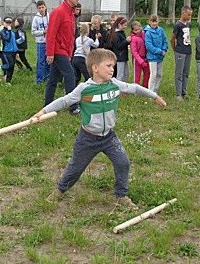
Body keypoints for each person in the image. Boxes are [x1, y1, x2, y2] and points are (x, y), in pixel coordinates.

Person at [33, 49, 167, 208]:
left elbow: (135, 88)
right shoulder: (84, 89)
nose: (112, 69)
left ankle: (121, 196)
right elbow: (64, 101)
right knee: (75, 168)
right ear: (95, 68)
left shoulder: (115, 84)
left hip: (109, 137)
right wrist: (42, 112)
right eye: (109, 66)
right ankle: (60, 191)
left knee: (123, 162)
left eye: (113, 66)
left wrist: (155, 96)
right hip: (87, 139)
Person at [44, 0, 82, 115]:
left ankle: (47, 105)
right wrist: (50, 52)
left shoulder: (71, 13)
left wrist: (70, 53)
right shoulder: (59, 12)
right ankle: (73, 106)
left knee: (53, 79)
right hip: (58, 50)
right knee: (70, 75)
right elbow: (51, 33)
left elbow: (71, 36)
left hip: (64, 51)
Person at [170, 5, 193, 100]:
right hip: (180, 51)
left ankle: (184, 92)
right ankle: (178, 94)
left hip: (188, 51)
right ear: (183, 13)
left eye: (191, 15)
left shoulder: (188, 24)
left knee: (186, 72)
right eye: (188, 15)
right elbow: (172, 39)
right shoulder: (177, 25)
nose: (189, 17)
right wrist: (175, 50)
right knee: (179, 73)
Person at [144, 15, 167, 93]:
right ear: (149, 22)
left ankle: (155, 90)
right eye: (152, 21)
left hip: (160, 57)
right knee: (153, 75)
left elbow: (164, 40)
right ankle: (150, 92)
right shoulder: (148, 33)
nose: (154, 23)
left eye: (156, 21)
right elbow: (149, 46)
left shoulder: (161, 30)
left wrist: (164, 49)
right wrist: (160, 51)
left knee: (159, 74)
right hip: (152, 57)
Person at [105, 17, 131, 82]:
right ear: (119, 24)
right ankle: (118, 88)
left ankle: (123, 88)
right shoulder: (116, 34)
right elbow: (118, 46)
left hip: (124, 56)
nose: (125, 27)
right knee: (120, 75)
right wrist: (126, 41)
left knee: (126, 74)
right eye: (124, 25)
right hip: (119, 57)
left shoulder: (122, 33)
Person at [31, 0, 49, 84]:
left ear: (45, 7)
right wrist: (42, 32)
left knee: (49, 60)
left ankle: (48, 77)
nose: (41, 9)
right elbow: (33, 32)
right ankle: (39, 79)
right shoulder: (36, 18)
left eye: (42, 7)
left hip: (49, 42)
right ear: (37, 9)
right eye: (39, 8)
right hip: (41, 42)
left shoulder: (49, 16)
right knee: (41, 61)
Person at [129, 21, 149, 88]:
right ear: (132, 30)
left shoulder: (143, 34)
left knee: (147, 74)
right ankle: (136, 89)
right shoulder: (133, 38)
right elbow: (134, 52)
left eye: (139, 29)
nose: (138, 31)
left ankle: (145, 87)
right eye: (135, 30)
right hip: (137, 59)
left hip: (145, 58)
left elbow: (147, 28)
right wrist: (140, 61)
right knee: (137, 75)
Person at [0, 17, 18, 84]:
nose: (8, 24)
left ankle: (8, 81)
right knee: (10, 65)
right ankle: (2, 67)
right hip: (7, 51)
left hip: (14, 51)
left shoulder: (13, 32)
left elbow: (14, 42)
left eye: (9, 23)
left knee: (12, 67)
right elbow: (7, 39)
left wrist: (17, 52)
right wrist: (9, 31)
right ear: (3, 23)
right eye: (7, 22)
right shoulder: (3, 32)